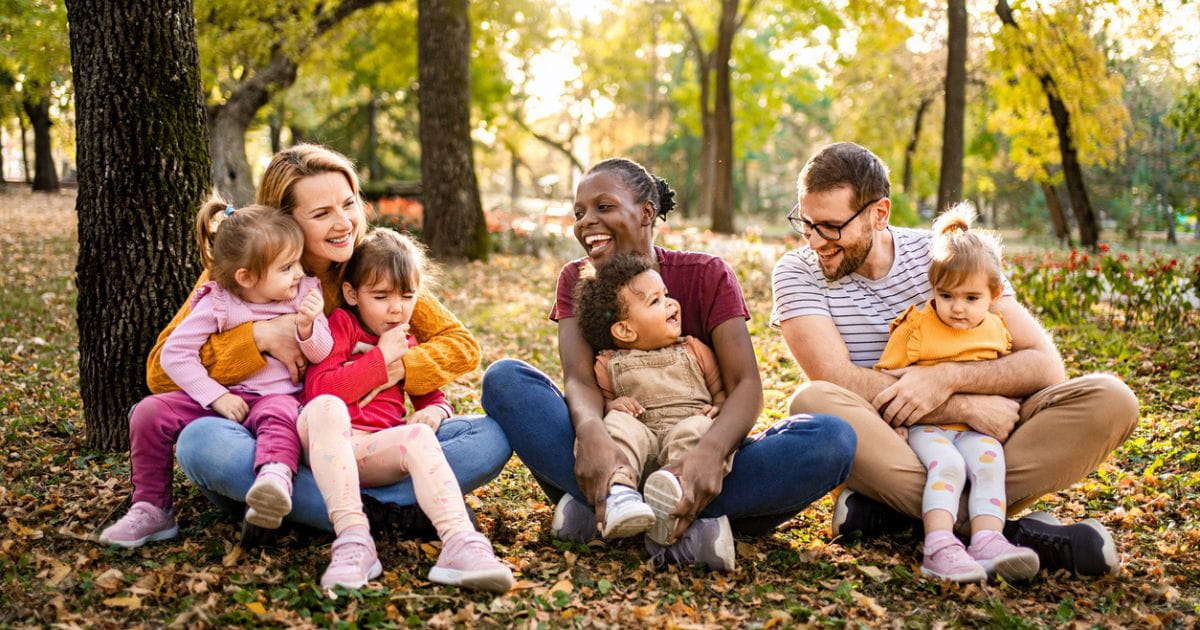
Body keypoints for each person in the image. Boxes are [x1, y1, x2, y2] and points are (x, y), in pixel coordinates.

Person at [773, 142, 1139, 577]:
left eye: (832, 227)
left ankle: (914, 519)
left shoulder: (945, 254)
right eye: (806, 224)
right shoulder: (797, 271)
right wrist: (962, 404)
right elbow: (837, 379)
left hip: (985, 441)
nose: (816, 241)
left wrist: (947, 377)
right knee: (814, 402)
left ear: (879, 213)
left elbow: (1044, 366)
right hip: (894, 443)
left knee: (1112, 399)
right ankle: (996, 531)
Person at [482, 158, 856, 572]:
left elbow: (744, 384)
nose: (587, 222)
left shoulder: (706, 274)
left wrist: (711, 454)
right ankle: (661, 511)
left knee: (831, 438)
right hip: (617, 445)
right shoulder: (578, 279)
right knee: (506, 380)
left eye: (604, 207)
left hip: (696, 445)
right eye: (579, 213)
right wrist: (591, 433)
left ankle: (620, 508)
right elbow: (580, 378)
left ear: (645, 212)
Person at [146, 144, 510, 538]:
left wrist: (395, 366)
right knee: (202, 444)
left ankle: (319, 513)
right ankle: (388, 514)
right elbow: (160, 374)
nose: (345, 223)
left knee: (488, 437)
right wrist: (258, 338)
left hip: (366, 445)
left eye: (348, 204)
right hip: (274, 446)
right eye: (322, 214)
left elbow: (460, 344)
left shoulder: (372, 270)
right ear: (286, 222)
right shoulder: (243, 275)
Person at [99, 198, 333, 548]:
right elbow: (175, 355)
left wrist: (307, 327)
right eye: (287, 267)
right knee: (149, 411)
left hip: (278, 396)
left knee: (281, 415)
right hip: (223, 397)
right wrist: (216, 395)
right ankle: (151, 508)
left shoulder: (303, 294)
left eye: (297, 261)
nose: (299, 272)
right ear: (247, 277)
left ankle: (275, 480)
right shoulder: (219, 301)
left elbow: (322, 352)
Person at [301, 228, 512, 591]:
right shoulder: (342, 325)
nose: (397, 308)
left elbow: (430, 395)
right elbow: (321, 390)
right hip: (330, 445)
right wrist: (381, 359)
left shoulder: (407, 338)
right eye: (381, 296)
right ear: (352, 294)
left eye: (408, 296)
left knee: (420, 434)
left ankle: (461, 544)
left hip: (374, 452)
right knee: (325, 408)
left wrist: (437, 412)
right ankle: (354, 541)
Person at [873, 204, 1038, 582]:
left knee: (989, 464)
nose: (957, 309)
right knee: (948, 466)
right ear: (933, 288)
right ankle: (940, 546)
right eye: (946, 296)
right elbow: (887, 378)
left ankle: (987, 540)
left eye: (970, 298)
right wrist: (895, 424)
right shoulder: (916, 328)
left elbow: (1009, 375)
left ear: (994, 294)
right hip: (927, 427)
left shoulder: (998, 330)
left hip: (977, 429)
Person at [574, 252, 732, 547]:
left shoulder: (694, 350)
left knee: (697, 429)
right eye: (655, 301)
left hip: (685, 443)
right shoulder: (608, 363)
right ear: (624, 330)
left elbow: (720, 392)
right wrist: (612, 406)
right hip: (642, 443)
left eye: (667, 295)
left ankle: (674, 493)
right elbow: (603, 402)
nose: (671, 304)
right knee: (618, 425)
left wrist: (719, 405)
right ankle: (620, 492)